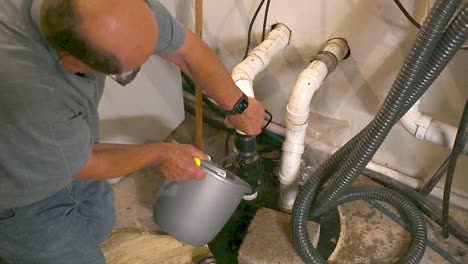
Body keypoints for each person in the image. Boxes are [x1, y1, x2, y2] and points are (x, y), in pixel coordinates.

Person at [0, 0, 265, 263]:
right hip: (22, 197)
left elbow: (185, 50)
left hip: (70, 150)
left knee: (99, 224)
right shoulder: (33, 91)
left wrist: (238, 105)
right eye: (128, 69)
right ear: (74, 65)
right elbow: (84, 163)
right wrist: (162, 154)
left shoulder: (115, 8)